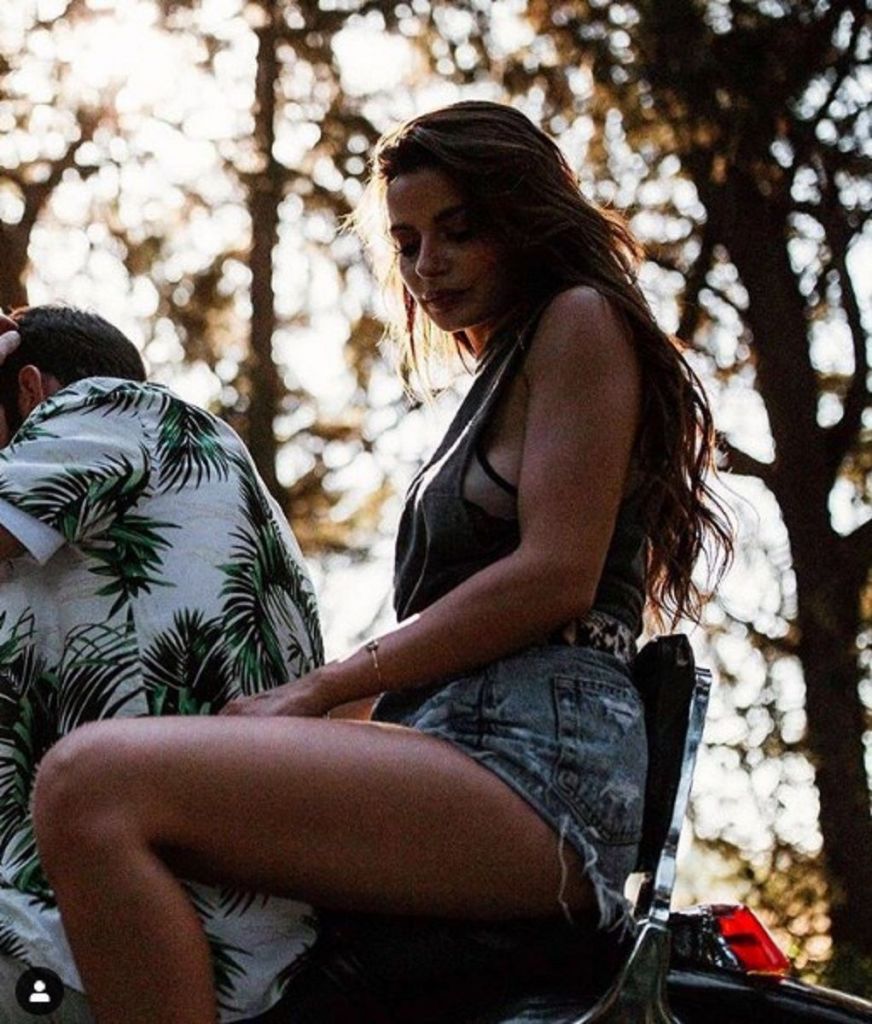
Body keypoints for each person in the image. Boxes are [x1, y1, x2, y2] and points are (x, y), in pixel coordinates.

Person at [30, 102, 733, 1024]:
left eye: (459, 230)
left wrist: (318, 691)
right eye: (406, 243)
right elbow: (441, 647)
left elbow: (554, 576)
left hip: (536, 771)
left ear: (525, 219)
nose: (427, 264)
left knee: (91, 784)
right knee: (136, 789)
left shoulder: (580, 319)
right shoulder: (495, 378)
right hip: (454, 742)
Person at [0, 306, 323, 1022]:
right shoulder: (198, 481)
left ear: (29, 390)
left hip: (97, 943)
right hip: (219, 947)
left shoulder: (106, 407)